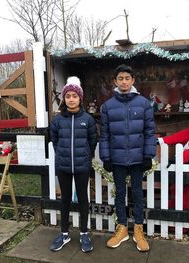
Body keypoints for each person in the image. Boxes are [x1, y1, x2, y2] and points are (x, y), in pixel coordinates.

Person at [99, 64, 156, 252]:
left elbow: (149, 131)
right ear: (115, 81)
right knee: (120, 193)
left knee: (138, 193)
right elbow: (105, 134)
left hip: (138, 158)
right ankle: (122, 228)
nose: (124, 81)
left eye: (127, 78)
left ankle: (139, 230)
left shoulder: (143, 103)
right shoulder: (107, 106)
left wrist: (148, 155)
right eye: (120, 78)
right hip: (117, 158)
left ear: (133, 80)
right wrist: (106, 157)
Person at [49, 76, 97, 253]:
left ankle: (84, 233)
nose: (71, 99)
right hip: (63, 166)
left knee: (83, 199)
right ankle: (64, 233)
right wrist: (62, 153)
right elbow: (54, 139)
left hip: (82, 166)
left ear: (80, 98)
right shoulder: (58, 120)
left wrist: (84, 155)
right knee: (65, 200)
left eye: (74, 96)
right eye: (67, 96)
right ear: (64, 98)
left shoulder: (88, 119)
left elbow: (93, 141)